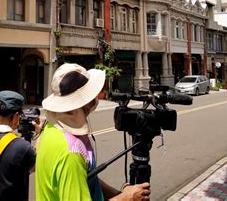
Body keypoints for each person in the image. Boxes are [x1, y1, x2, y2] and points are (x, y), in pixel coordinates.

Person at [36, 63, 151, 200]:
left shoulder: (51, 128)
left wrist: (120, 195)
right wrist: (127, 198)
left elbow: (86, 178)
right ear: (85, 102)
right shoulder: (71, 153)